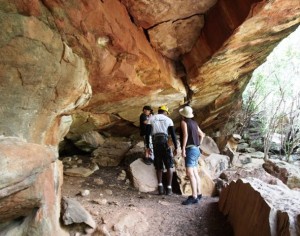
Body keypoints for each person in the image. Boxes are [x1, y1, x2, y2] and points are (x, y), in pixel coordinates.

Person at [145, 105, 178, 195]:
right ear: (166, 112)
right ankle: (169, 188)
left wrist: (148, 147)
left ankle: (160, 187)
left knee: (158, 165)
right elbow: (173, 135)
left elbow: (147, 134)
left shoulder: (151, 119)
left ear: (159, 111)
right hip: (165, 143)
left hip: (156, 144)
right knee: (169, 165)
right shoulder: (168, 120)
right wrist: (176, 147)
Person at [179, 106, 205, 205]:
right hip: (196, 149)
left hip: (190, 149)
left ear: (183, 115)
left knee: (190, 173)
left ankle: (194, 196)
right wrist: (198, 145)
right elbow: (202, 135)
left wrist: (183, 149)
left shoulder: (184, 122)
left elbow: (185, 135)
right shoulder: (194, 123)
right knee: (194, 172)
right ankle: (199, 193)